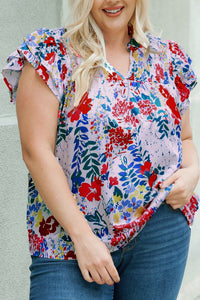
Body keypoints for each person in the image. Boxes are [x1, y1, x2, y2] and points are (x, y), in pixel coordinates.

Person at [2, 0, 200, 299]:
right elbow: (36, 150)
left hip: (160, 231)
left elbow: (184, 138)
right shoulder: (50, 52)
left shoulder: (167, 57)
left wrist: (193, 172)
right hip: (68, 239)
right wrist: (83, 238)